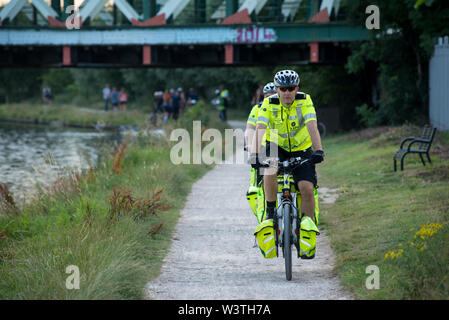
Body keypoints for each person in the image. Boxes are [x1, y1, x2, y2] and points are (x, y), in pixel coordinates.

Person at [249, 70, 324, 259]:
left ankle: (306, 229)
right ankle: (271, 211)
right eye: (283, 89)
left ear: (297, 88)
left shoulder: (304, 100)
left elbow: (311, 125)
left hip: (302, 147)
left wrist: (318, 150)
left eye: (291, 89)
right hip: (276, 145)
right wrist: (254, 154)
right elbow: (260, 128)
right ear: (277, 90)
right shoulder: (268, 103)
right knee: (269, 169)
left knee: (306, 187)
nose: (287, 93)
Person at [245, 82, 276, 221]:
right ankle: (263, 223)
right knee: (258, 188)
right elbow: (250, 129)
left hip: (279, 148)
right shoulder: (257, 109)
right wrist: (250, 147)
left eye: (273, 96)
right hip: (262, 150)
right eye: (266, 96)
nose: (269, 99)